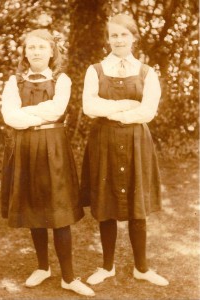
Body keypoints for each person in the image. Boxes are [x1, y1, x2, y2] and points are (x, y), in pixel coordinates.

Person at [1, 29, 95, 297]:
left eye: (42, 47)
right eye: (31, 47)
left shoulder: (61, 80)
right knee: (34, 209)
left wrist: (25, 113)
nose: (36, 52)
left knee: (58, 210)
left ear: (52, 51)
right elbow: (10, 116)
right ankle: (43, 267)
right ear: (25, 52)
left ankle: (68, 276)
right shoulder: (14, 82)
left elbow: (56, 110)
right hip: (26, 149)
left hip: (54, 149)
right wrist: (32, 115)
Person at [80, 14, 169, 287]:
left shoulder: (147, 72)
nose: (118, 40)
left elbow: (148, 111)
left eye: (124, 35)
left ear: (133, 37)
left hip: (136, 142)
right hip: (103, 142)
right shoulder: (95, 70)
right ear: (108, 38)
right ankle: (107, 266)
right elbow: (89, 108)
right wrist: (128, 105)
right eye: (114, 35)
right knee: (105, 204)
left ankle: (142, 267)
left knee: (136, 204)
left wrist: (116, 111)